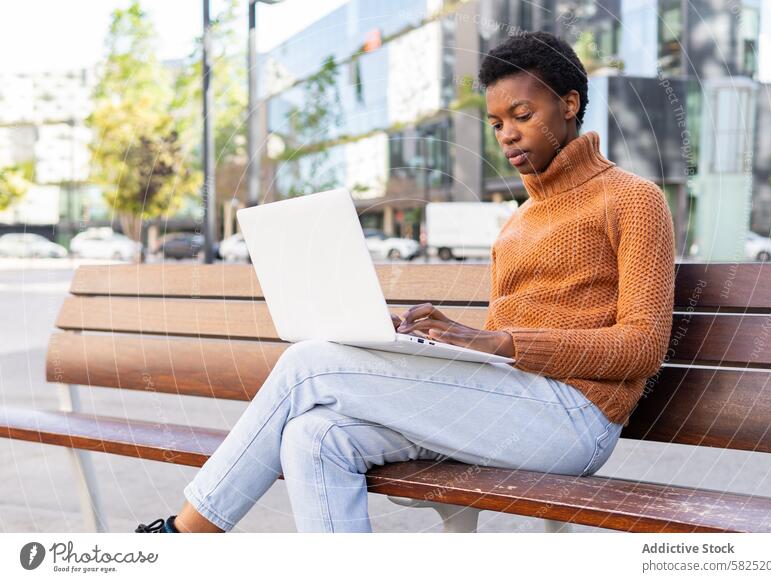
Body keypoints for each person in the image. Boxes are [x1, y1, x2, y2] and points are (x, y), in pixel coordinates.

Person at [135, 30, 675, 534]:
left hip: (574, 421)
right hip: (514, 406)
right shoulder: (518, 221)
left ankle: (184, 539)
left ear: (570, 104)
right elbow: (509, 346)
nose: (507, 133)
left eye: (522, 114)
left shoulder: (632, 199)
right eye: (495, 123)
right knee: (314, 437)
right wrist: (435, 343)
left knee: (307, 365)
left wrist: (502, 343)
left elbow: (642, 347)